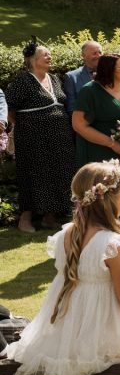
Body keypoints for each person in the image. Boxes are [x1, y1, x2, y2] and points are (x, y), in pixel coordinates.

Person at [5, 161, 120, 375]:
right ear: (111, 199)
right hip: (102, 330)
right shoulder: (114, 244)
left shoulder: (66, 235)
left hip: (70, 331)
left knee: (113, 345)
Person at [6, 39, 76, 233]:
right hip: (32, 137)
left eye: (50, 54)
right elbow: (11, 111)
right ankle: (25, 219)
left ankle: (49, 217)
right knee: (33, 174)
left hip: (60, 137)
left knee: (58, 173)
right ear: (33, 59)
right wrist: (28, 126)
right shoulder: (23, 81)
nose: (49, 57)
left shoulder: (54, 78)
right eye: (45, 55)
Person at [72, 54, 120, 169]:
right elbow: (78, 125)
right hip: (99, 151)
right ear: (109, 70)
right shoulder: (89, 91)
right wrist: (112, 144)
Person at [63, 40, 102, 115]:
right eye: (94, 53)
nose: (98, 56)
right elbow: (71, 108)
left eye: (100, 52)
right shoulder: (72, 77)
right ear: (83, 56)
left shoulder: (111, 74)